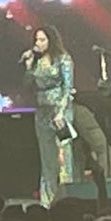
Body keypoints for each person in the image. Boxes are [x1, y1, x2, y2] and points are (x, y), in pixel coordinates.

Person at [22, 26, 75, 204]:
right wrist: (28, 67)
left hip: (60, 112)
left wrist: (61, 112)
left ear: (51, 40)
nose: (38, 43)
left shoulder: (63, 59)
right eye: (36, 40)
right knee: (47, 158)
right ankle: (47, 200)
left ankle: (67, 199)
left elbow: (68, 88)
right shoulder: (36, 61)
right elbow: (27, 85)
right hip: (42, 112)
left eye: (42, 40)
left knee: (63, 156)